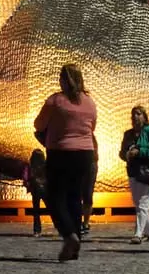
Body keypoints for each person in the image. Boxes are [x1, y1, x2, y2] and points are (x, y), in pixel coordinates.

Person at [33, 63, 97, 262]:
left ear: (62, 80)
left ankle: (69, 236)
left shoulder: (56, 101)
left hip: (61, 152)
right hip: (85, 153)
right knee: (74, 197)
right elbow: (92, 126)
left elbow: (38, 124)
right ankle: (74, 249)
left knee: (54, 197)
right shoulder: (89, 102)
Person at [119, 105, 149, 244]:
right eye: (133, 114)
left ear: (144, 116)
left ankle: (138, 234)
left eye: (138, 114)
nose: (135, 117)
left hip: (146, 171)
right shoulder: (128, 134)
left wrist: (140, 151)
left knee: (143, 203)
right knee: (139, 203)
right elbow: (121, 152)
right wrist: (126, 154)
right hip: (133, 171)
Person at [23, 149, 47, 237]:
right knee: (52, 209)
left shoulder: (29, 166)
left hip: (35, 190)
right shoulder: (45, 165)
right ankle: (60, 228)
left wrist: (28, 185)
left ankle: (37, 230)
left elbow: (25, 177)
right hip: (45, 189)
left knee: (36, 211)